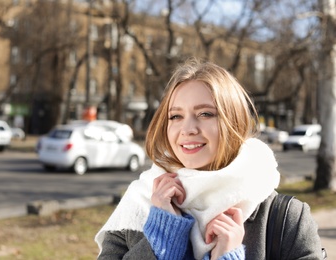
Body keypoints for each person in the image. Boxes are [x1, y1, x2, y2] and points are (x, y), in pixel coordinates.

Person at [95, 58, 323, 259]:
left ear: (234, 121)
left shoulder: (286, 219)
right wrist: (161, 241)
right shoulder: (138, 204)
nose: (187, 129)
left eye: (205, 114)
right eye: (175, 116)